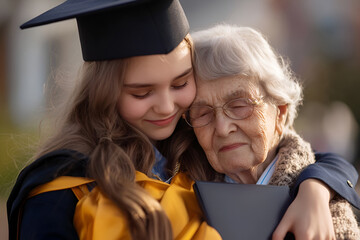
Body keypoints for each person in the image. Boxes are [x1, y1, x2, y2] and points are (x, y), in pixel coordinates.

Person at [6, 0, 360, 239]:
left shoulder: (189, 140)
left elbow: (307, 154)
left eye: (180, 84)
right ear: (104, 93)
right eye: (142, 93)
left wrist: (316, 188)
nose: (166, 107)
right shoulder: (58, 191)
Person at [179, 24, 360, 239]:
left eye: (239, 106)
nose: (222, 128)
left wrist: (317, 187)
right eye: (203, 113)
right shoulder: (181, 192)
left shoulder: (325, 201)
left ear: (280, 113)